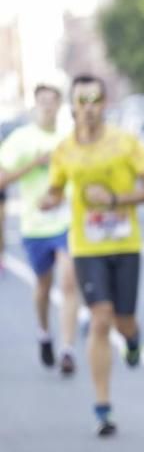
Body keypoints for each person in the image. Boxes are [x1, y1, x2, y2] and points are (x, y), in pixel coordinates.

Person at [39, 74, 144, 436]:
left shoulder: (125, 142)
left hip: (125, 244)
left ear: (104, 104)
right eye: (81, 101)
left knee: (123, 321)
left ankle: (133, 339)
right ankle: (103, 407)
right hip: (87, 246)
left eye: (95, 100)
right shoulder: (64, 149)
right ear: (72, 106)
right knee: (100, 318)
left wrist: (114, 200)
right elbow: (56, 189)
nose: (88, 108)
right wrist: (50, 200)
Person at [0, 84, 79, 374]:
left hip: (67, 221)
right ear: (35, 106)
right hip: (35, 225)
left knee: (69, 282)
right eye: (42, 101)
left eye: (52, 101)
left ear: (60, 106)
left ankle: (68, 349)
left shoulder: (69, 138)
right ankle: (44, 333)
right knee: (43, 287)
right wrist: (35, 163)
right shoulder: (21, 139)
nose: (47, 106)